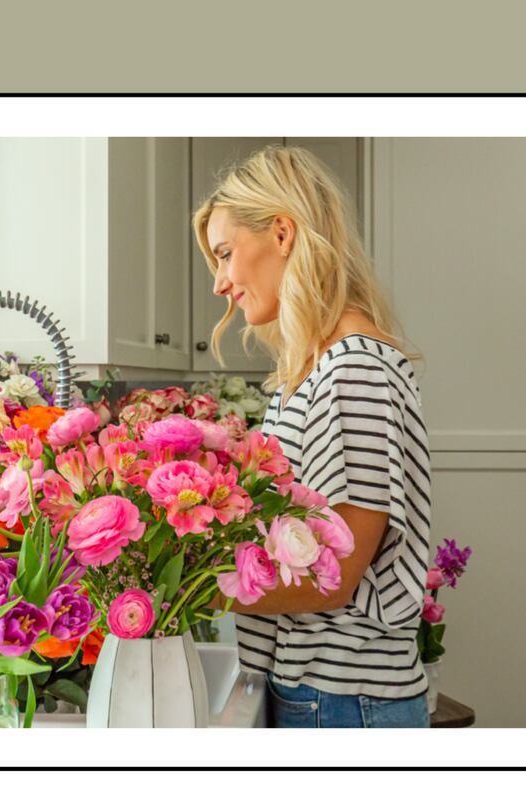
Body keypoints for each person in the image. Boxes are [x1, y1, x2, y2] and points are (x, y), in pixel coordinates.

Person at [192, 145, 432, 728]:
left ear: (281, 232)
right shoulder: (315, 369)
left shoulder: (353, 373)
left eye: (225, 254)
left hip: (344, 702)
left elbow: (333, 580)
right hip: (322, 693)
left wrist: (181, 587)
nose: (221, 282)